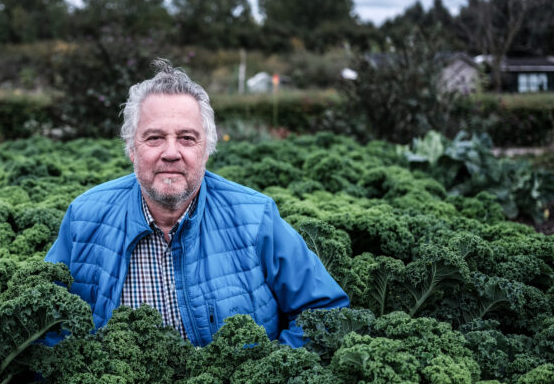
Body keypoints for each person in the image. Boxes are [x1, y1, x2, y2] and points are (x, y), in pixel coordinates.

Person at [45, 59, 349, 347]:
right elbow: (45, 322)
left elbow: (325, 311)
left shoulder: (255, 218)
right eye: (154, 138)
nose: (171, 152)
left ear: (207, 149)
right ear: (131, 148)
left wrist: (269, 379)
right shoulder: (84, 218)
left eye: (187, 138)